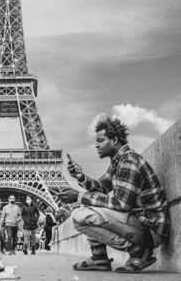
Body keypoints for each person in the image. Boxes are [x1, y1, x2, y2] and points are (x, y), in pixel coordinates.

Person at [57, 117, 169, 273]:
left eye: (101, 140)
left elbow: (122, 204)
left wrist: (78, 196)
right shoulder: (118, 162)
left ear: (115, 139)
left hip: (150, 230)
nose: (96, 145)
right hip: (139, 223)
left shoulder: (128, 161)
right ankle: (99, 257)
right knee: (88, 205)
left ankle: (139, 251)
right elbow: (101, 187)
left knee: (79, 215)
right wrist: (80, 176)